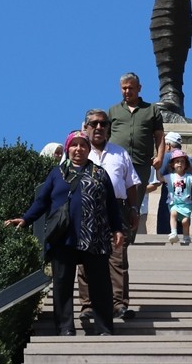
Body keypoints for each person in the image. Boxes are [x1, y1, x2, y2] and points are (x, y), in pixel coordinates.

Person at [6, 130, 125, 337]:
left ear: (88, 149)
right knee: (63, 284)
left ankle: (104, 327)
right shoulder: (56, 173)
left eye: (83, 145)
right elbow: (42, 201)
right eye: (74, 145)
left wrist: (117, 229)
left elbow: (111, 206)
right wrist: (26, 219)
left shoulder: (99, 173)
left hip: (94, 237)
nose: (78, 149)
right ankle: (65, 328)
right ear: (68, 148)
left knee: (101, 285)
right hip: (63, 237)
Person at [81, 108, 142, 320]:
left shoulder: (120, 152)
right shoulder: (77, 151)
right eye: (94, 124)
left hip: (117, 209)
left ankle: (118, 304)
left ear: (109, 128)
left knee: (117, 259)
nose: (99, 127)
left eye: (103, 124)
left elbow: (131, 184)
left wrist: (134, 209)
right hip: (86, 211)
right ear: (85, 127)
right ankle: (88, 305)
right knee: (85, 258)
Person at [107, 73, 166, 230]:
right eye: (124, 88)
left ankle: (129, 237)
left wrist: (160, 156)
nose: (127, 91)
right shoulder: (113, 111)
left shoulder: (151, 110)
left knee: (135, 203)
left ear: (139, 88)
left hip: (141, 164)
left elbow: (159, 136)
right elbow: (104, 139)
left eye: (130, 88)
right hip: (116, 163)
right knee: (115, 199)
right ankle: (116, 233)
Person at [153, 131, 192, 236]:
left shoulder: (167, 157)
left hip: (170, 202)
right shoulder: (189, 161)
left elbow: (159, 179)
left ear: (169, 145)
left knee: (166, 232)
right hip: (186, 203)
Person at [162, 149, 192, 245]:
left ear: (186, 165)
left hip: (186, 204)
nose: (180, 164)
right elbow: (160, 179)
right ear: (173, 164)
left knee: (185, 221)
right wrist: (157, 169)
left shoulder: (188, 177)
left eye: (182, 162)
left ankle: (186, 236)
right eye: (177, 162)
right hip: (174, 202)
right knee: (173, 214)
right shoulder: (170, 177)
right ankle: (174, 232)